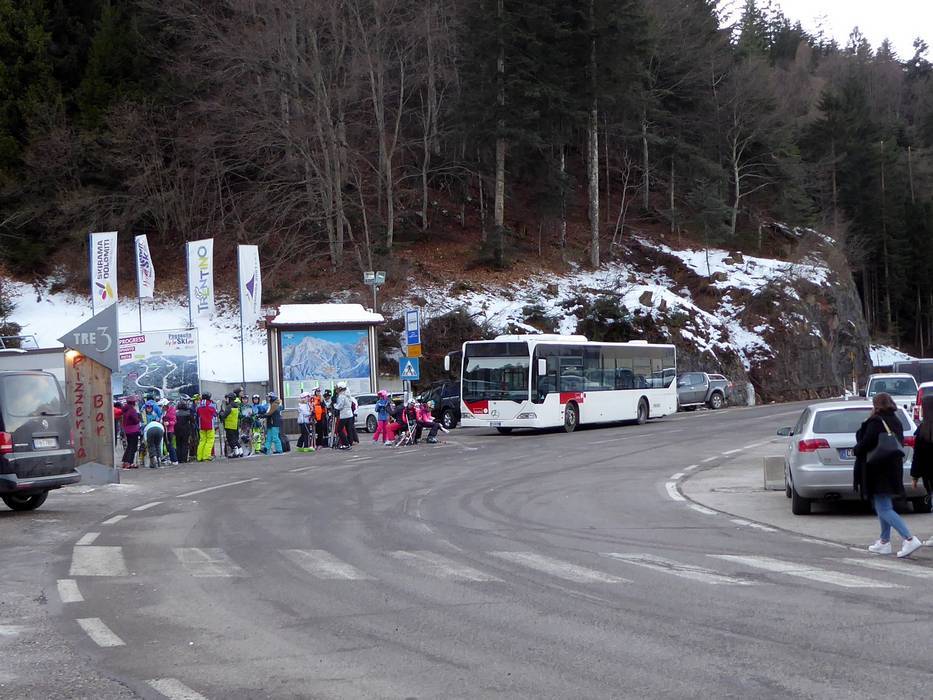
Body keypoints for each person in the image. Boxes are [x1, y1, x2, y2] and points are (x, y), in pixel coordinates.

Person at [854, 392, 924, 557]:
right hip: (892, 468)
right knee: (883, 504)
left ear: (875, 405)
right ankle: (884, 541)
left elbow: (866, 443)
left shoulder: (876, 422)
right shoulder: (896, 420)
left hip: (877, 469)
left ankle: (909, 538)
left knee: (884, 508)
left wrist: (856, 449)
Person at [196, 392, 218, 462]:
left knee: (202, 441)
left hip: (201, 426)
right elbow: (215, 414)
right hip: (210, 426)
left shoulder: (199, 406)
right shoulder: (211, 406)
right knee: (209, 441)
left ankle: (199, 457)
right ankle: (206, 456)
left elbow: (197, 415)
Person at [219, 392, 242, 458]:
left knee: (230, 440)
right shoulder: (236, 405)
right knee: (235, 439)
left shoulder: (229, 406)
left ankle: (236, 453)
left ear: (230, 398)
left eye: (227, 398)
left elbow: (224, 415)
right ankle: (240, 451)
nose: (227, 400)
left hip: (229, 425)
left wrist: (220, 413)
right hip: (235, 425)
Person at [121, 397, 141, 469]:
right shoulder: (132, 410)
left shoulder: (125, 409)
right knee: (133, 447)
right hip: (133, 430)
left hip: (127, 430)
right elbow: (136, 420)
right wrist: (139, 418)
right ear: (133, 403)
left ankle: (125, 461)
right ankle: (129, 462)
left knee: (129, 446)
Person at [333, 383, 354, 450]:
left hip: (344, 415)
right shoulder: (348, 394)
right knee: (349, 429)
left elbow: (340, 406)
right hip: (350, 415)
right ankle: (350, 443)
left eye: (337, 388)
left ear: (340, 388)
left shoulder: (341, 396)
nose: (336, 390)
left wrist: (334, 405)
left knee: (339, 429)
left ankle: (345, 444)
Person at [162, 399, 178, 465]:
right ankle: (172, 459)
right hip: (165, 430)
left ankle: (174, 459)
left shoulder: (171, 411)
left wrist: (168, 423)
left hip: (169, 430)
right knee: (168, 445)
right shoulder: (164, 411)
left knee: (170, 445)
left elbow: (174, 421)